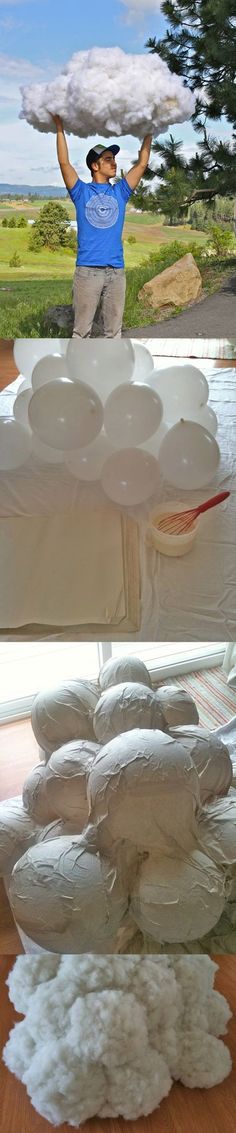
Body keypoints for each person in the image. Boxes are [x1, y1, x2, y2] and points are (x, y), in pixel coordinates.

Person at [51, 114, 152, 337]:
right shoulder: (81, 192)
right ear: (95, 165)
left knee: (114, 333)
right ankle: (80, 371)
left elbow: (142, 163)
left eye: (114, 158)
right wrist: (59, 127)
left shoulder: (120, 192)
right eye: (107, 159)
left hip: (116, 273)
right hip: (87, 272)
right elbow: (64, 162)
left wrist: (150, 130)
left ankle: (110, 371)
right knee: (81, 333)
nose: (114, 162)